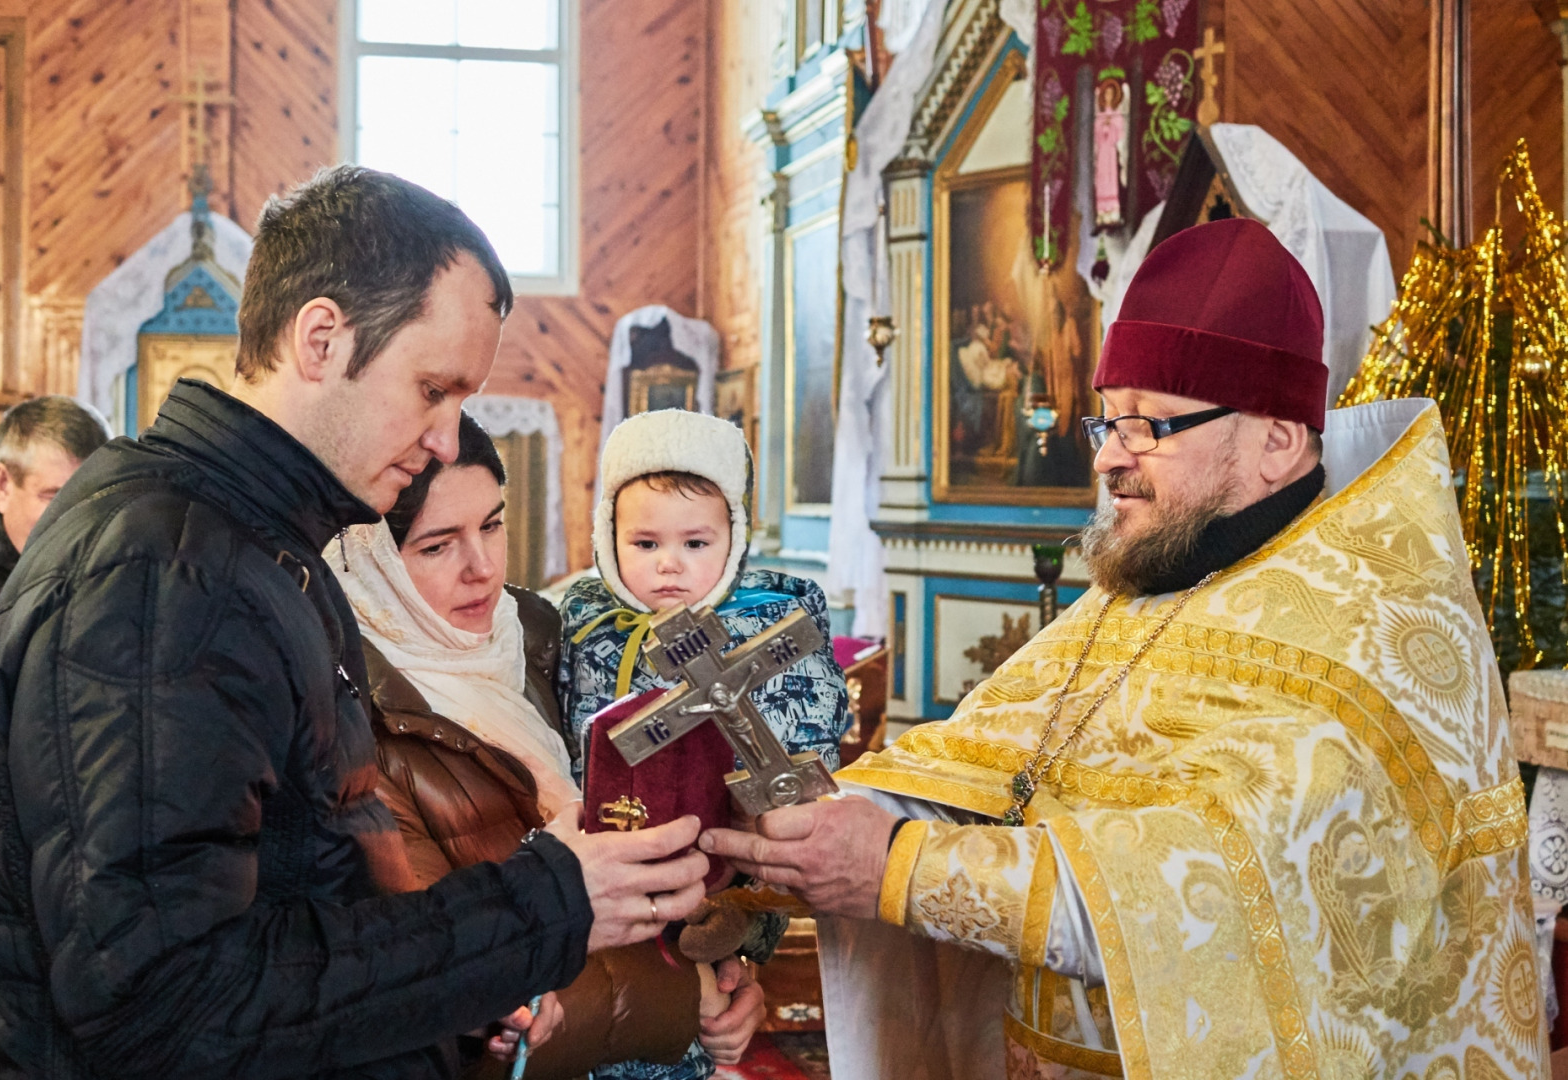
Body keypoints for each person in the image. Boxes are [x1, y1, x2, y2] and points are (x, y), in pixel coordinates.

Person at [703, 218, 1547, 1078]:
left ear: (1278, 440)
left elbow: (1197, 890)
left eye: (1148, 427)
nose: (1108, 458)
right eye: (1106, 424)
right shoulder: (1153, 579)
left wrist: (892, 867)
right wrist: (778, 854)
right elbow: (980, 773)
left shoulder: (1375, 633)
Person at [0, 165, 708, 1080]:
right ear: (321, 339)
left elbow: (303, 901)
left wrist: (458, 997)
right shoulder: (168, 575)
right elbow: (166, 1005)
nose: (446, 437)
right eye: (434, 389)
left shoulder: (252, 543)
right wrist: (543, 905)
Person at [331, 412, 765, 1078]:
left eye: (493, 524)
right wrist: (686, 996)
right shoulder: (352, 720)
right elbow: (446, 994)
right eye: (437, 545)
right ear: (372, 560)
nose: (483, 569)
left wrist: (729, 968)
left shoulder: (545, 638)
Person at [558, 407, 850, 1080]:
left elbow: (793, 778)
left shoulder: (766, 630)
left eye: (695, 544)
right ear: (608, 536)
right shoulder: (582, 622)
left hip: (712, 880)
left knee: (693, 1028)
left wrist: (744, 934)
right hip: (598, 876)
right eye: (645, 544)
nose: (669, 567)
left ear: (734, 536)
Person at [0, 397, 110, 1058]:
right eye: (51, 495)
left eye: (86, 494)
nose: (71, 516)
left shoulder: (111, 588)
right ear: (1, 485)